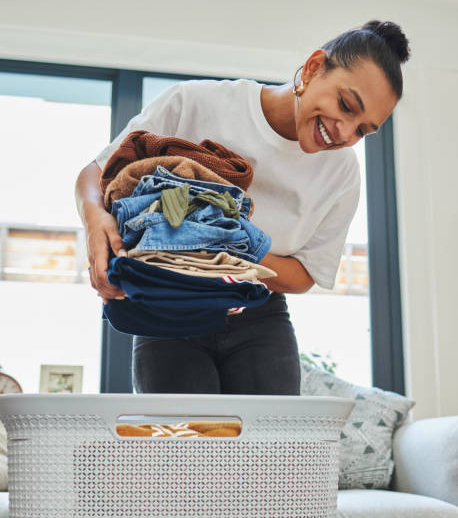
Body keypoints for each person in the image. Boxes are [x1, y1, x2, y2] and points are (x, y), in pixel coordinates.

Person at [75, 20, 410, 396]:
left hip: (260, 318)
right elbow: (98, 171)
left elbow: (304, 275)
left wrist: (232, 246)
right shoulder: (195, 102)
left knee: (268, 451)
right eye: (346, 106)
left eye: (363, 130)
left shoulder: (342, 173)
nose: (346, 133)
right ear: (314, 67)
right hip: (168, 305)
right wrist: (95, 221)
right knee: (181, 451)